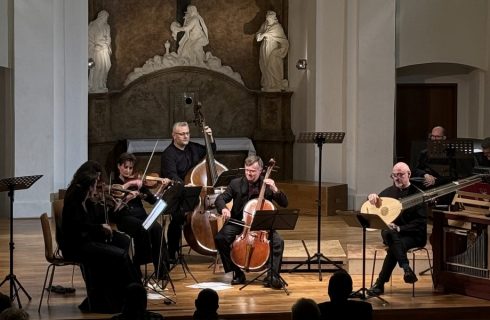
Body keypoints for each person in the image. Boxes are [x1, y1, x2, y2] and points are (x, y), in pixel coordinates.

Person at [59, 161, 140, 313]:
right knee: (120, 255)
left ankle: (125, 292)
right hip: (76, 245)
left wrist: (110, 208)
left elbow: (91, 220)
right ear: (87, 182)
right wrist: (100, 228)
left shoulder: (84, 195)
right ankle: (128, 296)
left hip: (86, 239)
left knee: (123, 240)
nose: (97, 186)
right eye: (95, 182)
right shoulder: (74, 197)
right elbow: (77, 228)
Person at [214, 155, 288, 288]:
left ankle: (272, 276)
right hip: (240, 223)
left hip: (262, 225)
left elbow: (284, 203)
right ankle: (236, 272)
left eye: (253, 171)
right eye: (247, 170)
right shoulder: (235, 183)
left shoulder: (266, 185)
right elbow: (220, 199)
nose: (249, 173)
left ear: (261, 171)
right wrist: (224, 209)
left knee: (278, 242)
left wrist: (275, 189)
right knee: (221, 238)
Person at [367, 162, 427, 296]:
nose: (397, 178)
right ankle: (406, 268)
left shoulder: (417, 194)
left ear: (409, 175)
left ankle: (380, 284)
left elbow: (420, 222)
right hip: (393, 234)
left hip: (413, 236)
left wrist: (400, 228)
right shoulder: (388, 192)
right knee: (388, 232)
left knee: (393, 247)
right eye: (394, 175)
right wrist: (371, 197)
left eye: (401, 175)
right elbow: (372, 205)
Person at [160, 121, 216, 261]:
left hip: (195, 193)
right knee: (178, 217)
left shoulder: (193, 148)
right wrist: (185, 185)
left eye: (187, 133)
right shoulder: (168, 154)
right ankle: (172, 252)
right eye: (182, 134)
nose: (186, 136)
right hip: (177, 193)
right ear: (174, 135)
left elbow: (211, 150)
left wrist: (210, 137)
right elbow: (172, 175)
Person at [112, 152, 172, 280]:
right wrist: (127, 196)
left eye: (130, 168)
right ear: (119, 166)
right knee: (142, 228)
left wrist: (161, 188)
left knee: (157, 229)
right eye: (125, 167)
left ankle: (161, 270)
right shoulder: (114, 182)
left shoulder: (138, 182)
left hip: (140, 215)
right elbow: (114, 208)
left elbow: (153, 200)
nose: (128, 171)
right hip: (124, 217)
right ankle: (138, 263)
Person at [256, 11, 289, 92]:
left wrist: (280, 50)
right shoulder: (264, 25)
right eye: (267, 19)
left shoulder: (277, 27)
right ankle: (267, 83)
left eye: (269, 19)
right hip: (264, 47)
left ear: (273, 18)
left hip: (273, 47)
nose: (268, 20)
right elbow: (258, 34)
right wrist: (260, 35)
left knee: (273, 65)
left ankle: (275, 84)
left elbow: (283, 40)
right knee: (264, 65)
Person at [88, 10, 112, 93]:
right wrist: (95, 47)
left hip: (105, 50)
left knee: (106, 66)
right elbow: (90, 40)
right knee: (96, 67)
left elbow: (109, 38)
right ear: (101, 17)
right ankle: (95, 86)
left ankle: (102, 84)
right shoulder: (93, 26)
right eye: (105, 17)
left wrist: (106, 43)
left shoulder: (107, 26)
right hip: (96, 51)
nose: (106, 19)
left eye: (107, 18)